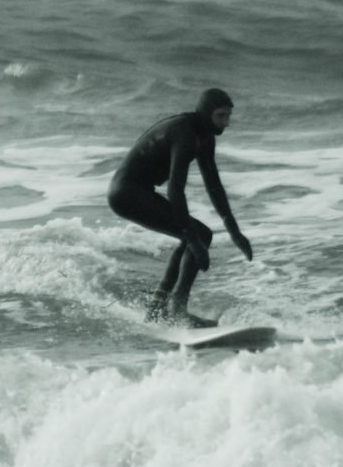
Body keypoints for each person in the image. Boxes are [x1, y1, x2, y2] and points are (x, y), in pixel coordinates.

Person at [108, 88, 253, 327]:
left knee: (195, 234)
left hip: (137, 191)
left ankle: (157, 308)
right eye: (221, 116)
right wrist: (194, 241)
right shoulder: (184, 134)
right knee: (198, 235)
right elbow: (175, 191)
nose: (226, 123)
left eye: (228, 116)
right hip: (127, 193)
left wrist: (234, 231)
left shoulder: (204, 136)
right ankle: (175, 309)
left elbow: (213, 184)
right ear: (207, 114)